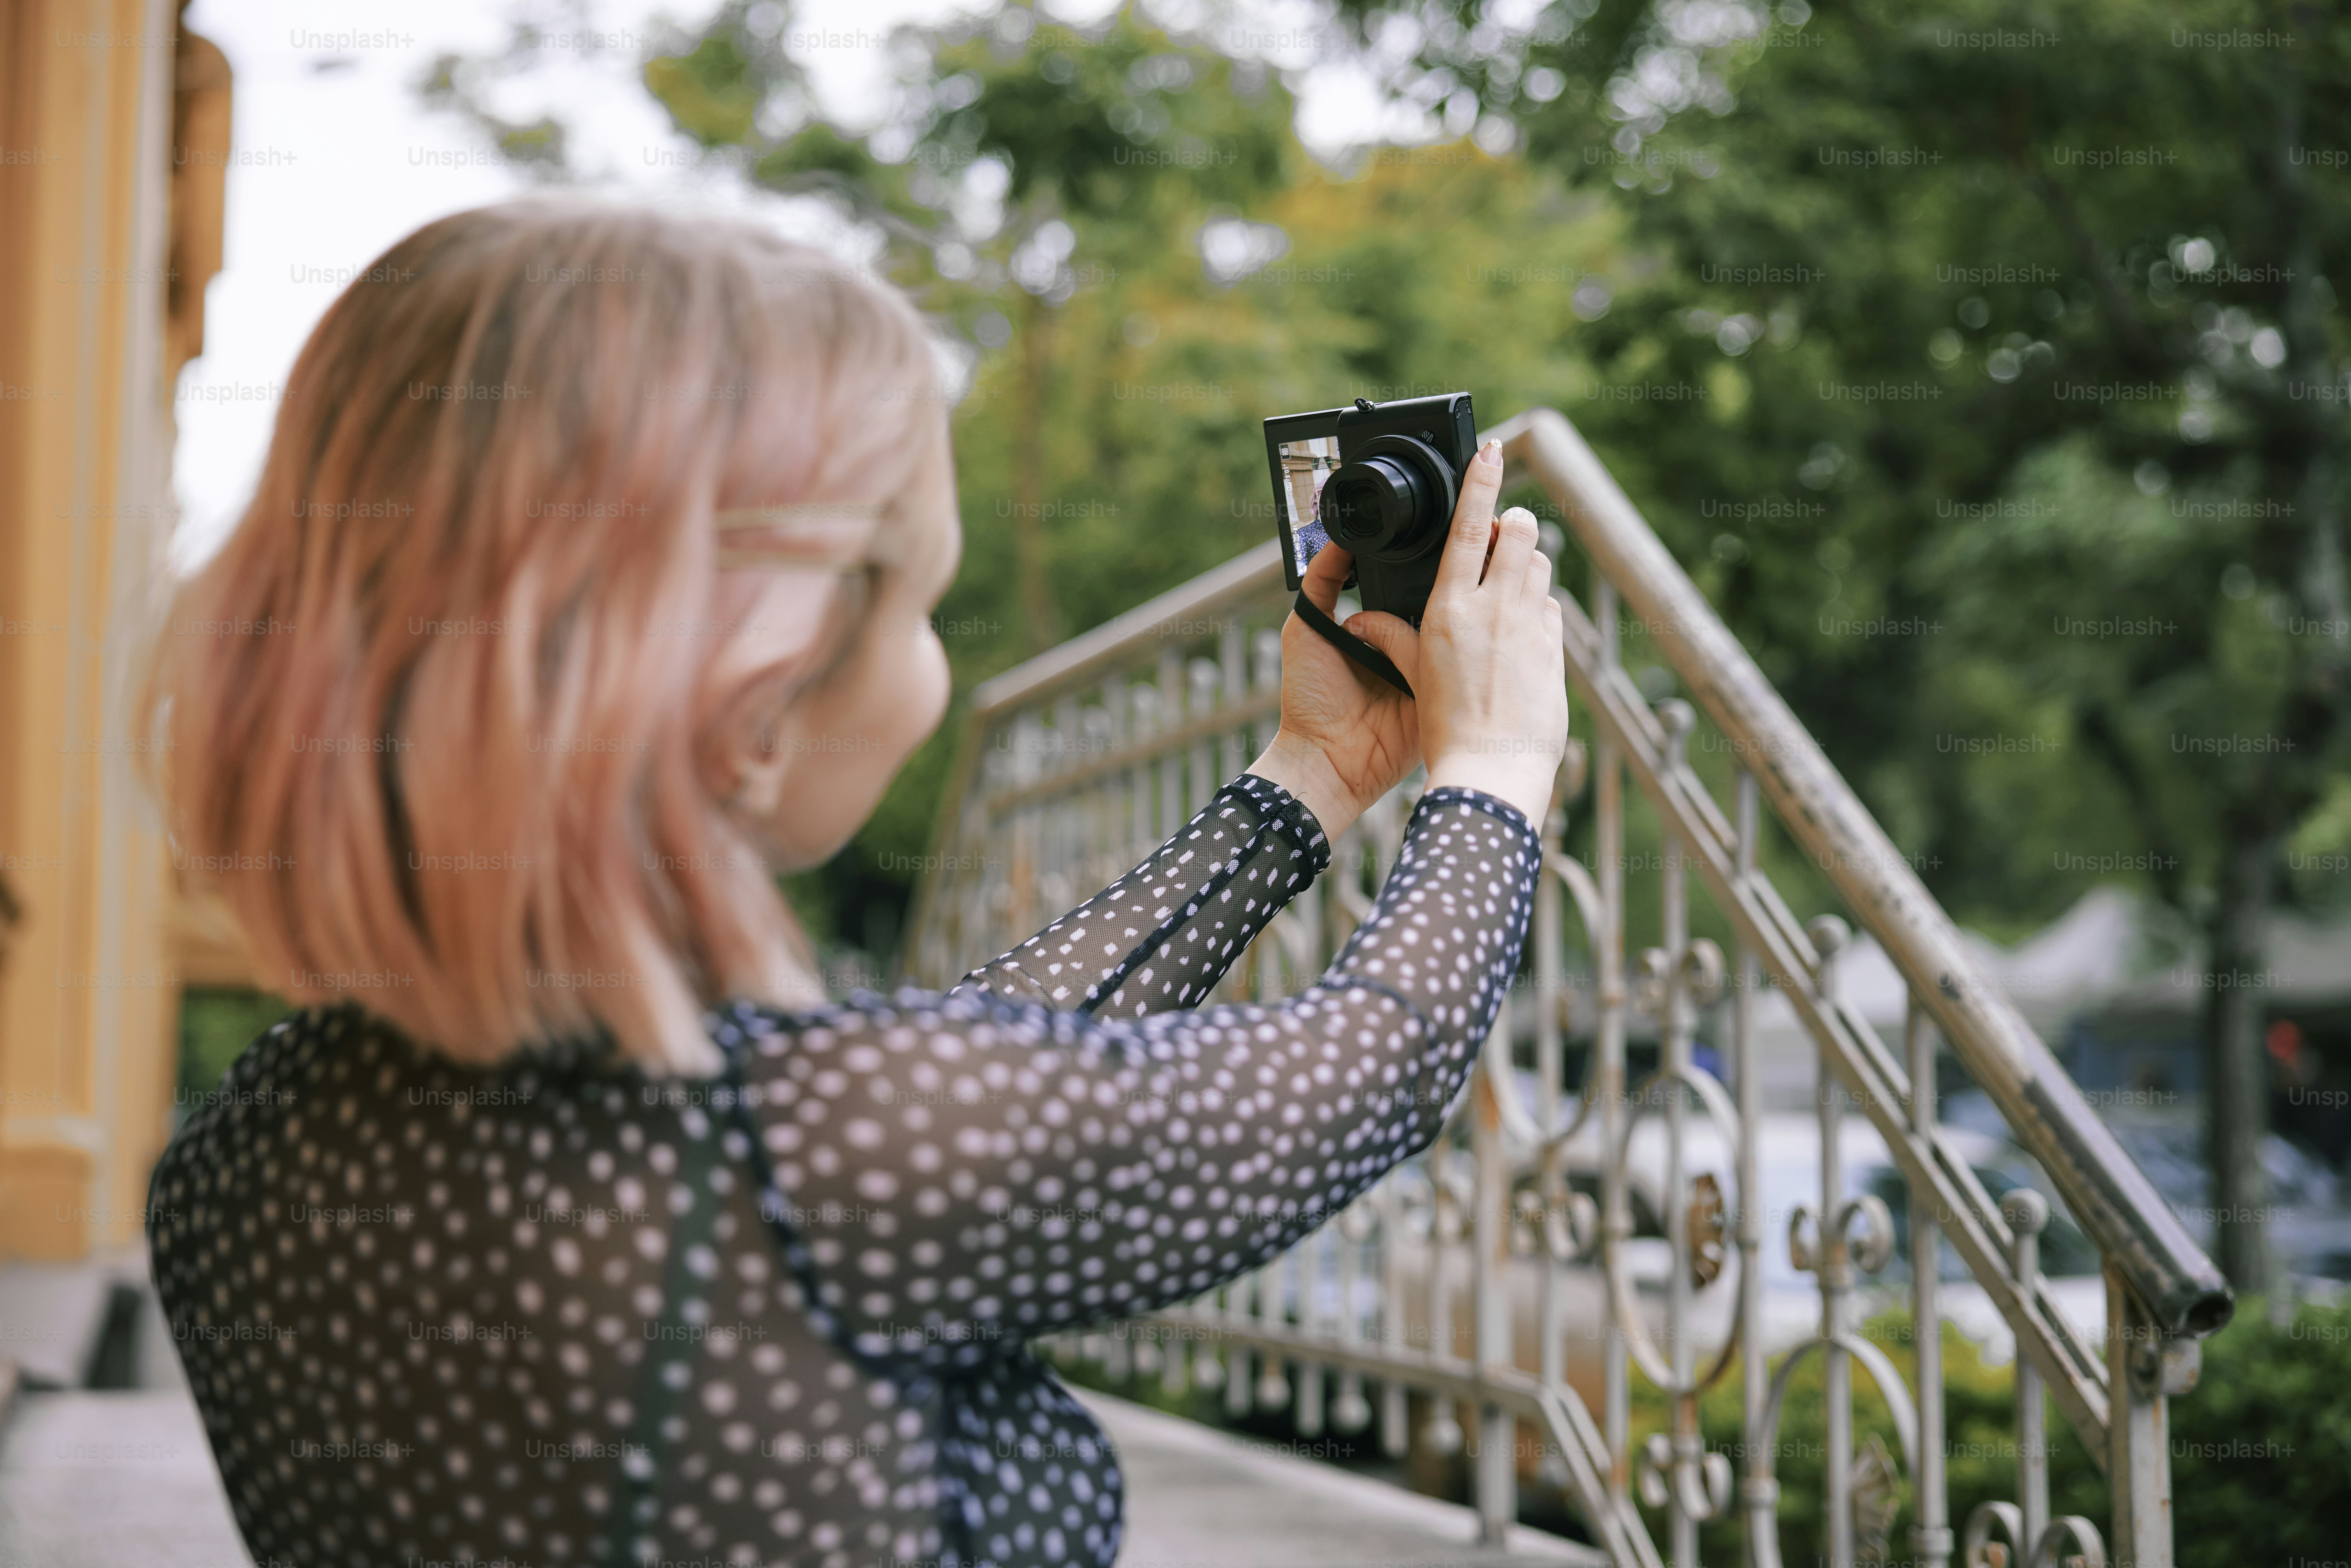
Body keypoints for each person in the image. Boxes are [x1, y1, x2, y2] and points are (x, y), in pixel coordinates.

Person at [144, 197, 1568, 1568]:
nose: (933, 656)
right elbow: (1363, 1068)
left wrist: (1309, 779)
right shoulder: (811, 1159)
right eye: (922, 605)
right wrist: (1493, 765)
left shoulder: (237, 1158)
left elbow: (948, 1083)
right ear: (756, 705)